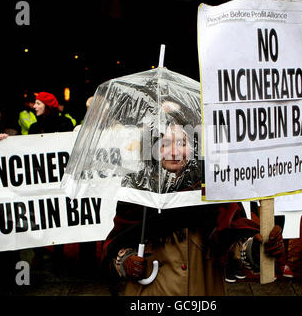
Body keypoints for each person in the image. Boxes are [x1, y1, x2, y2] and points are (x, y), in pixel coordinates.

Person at [102, 102, 284, 296]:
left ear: (194, 147)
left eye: (181, 143)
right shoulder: (139, 190)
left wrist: (257, 249)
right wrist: (125, 260)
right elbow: (115, 246)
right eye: (164, 144)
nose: (174, 152)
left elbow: (234, 242)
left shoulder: (213, 190)